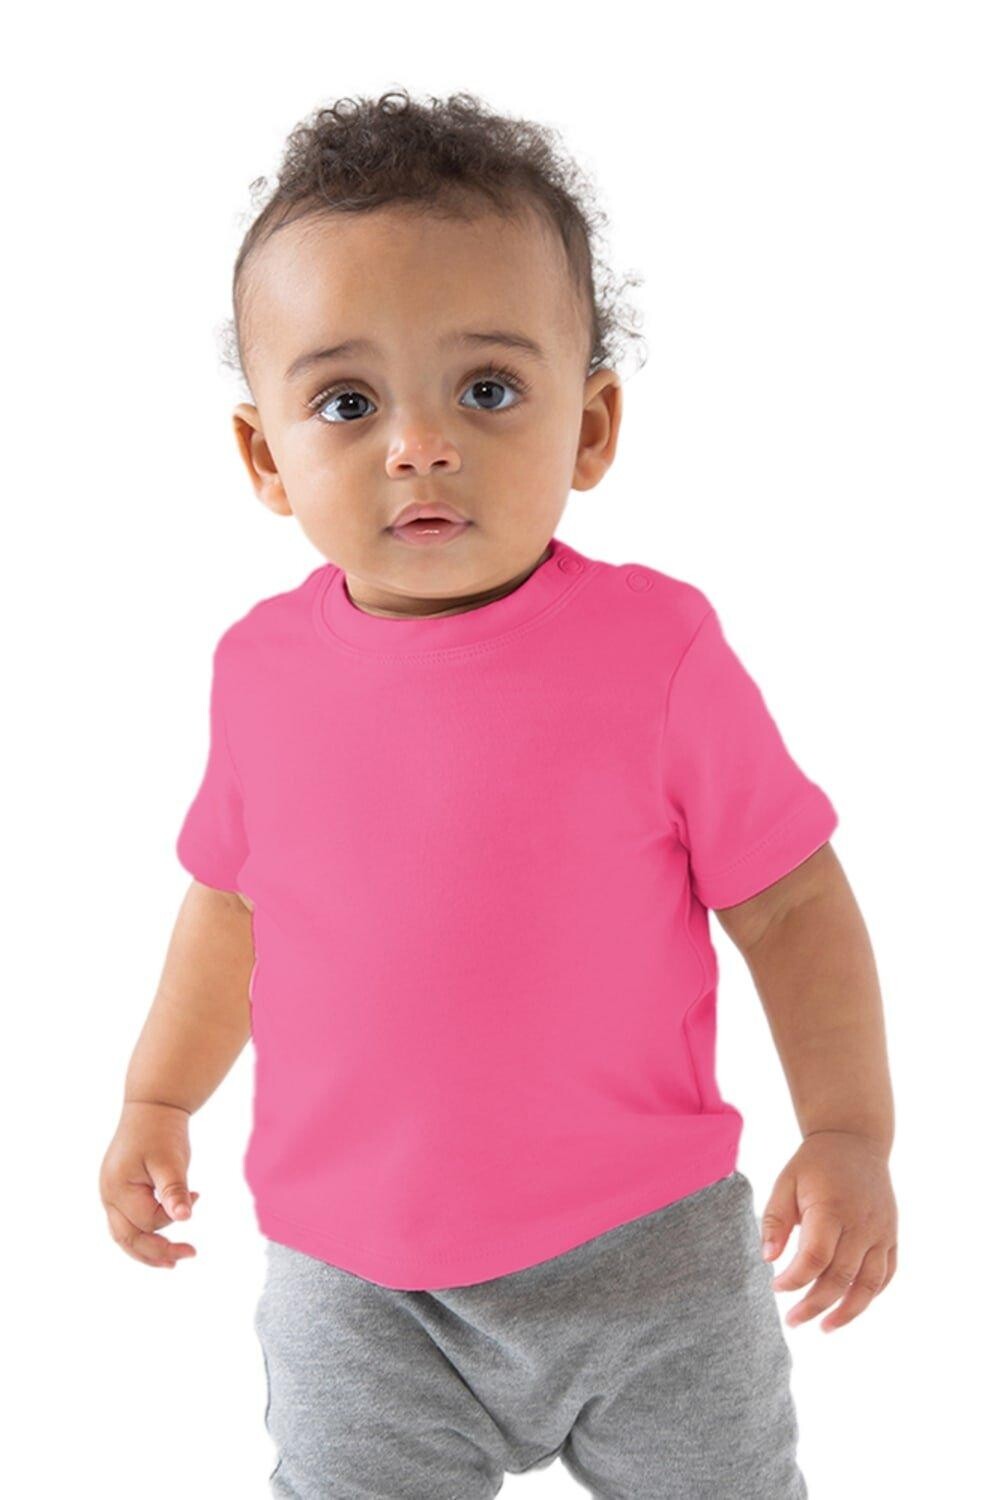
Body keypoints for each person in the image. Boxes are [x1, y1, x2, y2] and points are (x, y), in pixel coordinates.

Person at [99, 88, 898, 1498]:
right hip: (359, 1289)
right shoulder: (259, 672)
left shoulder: (658, 653)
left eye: (486, 390)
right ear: (264, 456)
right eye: (347, 403)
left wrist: (849, 1130)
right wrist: (159, 1094)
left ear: (591, 425)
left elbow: (788, 904)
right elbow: (232, 910)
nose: (419, 444)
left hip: (649, 1265)